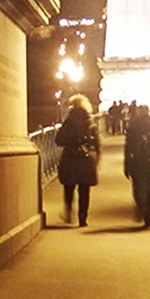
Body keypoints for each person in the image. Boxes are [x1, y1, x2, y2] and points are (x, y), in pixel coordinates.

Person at [55, 94, 101, 227]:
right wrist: (96, 157)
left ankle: (69, 212)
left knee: (69, 187)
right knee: (84, 190)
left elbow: (58, 140)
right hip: (86, 159)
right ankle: (83, 218)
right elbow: (97, 142)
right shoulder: (90, 122)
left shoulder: (69, 122)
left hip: (70, 158)